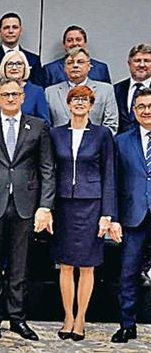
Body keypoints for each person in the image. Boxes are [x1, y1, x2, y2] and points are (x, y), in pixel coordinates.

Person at [0, 78, 55, 341]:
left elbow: (47, 169)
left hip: (25, 206)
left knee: (20, 267)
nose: (10, 98)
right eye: (5, 94)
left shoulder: (38, 127)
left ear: (22, 97)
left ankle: (18, 319)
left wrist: (45, 206)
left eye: (15, 94)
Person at [49, 86, 115, 341]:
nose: (79, 103)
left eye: (84, 100)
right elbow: (49, 171)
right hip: (64, 205)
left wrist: (107, 213)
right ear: (68, 104)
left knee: (87, 266)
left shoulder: (102, 134)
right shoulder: (56, 134)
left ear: (91, 105)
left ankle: (81, 318)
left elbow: (109, 174)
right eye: (74, 99)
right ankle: (67, 316)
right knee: (65, 264)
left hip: (92, 205)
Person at [110, 87, 151, 343]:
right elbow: (112, 183)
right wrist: (114, 218)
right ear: (134, 111)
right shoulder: (121, 141)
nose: (147, 111)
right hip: (133, 216)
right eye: (142, 107)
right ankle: (127, 324)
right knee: (128, 273)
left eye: (150, 106)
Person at [45, 47, 118, 135]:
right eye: (70, 62)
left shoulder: (106, 90)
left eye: (80, 62)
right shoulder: (50, 92)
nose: (75, 65)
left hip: (95, 146)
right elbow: (46, 126)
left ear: (89, 66)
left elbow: (111, 125)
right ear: (65, 68)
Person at [0, 12, 43, 96]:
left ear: (20, 31)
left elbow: (38, 89)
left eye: (15, 27)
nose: (11, 31)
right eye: (6, 28)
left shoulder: (33, 59)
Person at [0, 51, 50, 124]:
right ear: (3, 68)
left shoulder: (36, 91)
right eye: (10, 64)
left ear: (25, 67)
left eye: (19, 64)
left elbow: (45, 123)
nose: (14, 68)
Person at [43, 25, 111, 87]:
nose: (74, 43)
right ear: (64, 44)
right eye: (70, 40)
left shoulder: (101, 69)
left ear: (85, 43)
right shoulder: (50, 70)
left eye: (78, 40)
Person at [114, 44, 151, 134]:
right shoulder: (116, 89)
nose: (142, 65)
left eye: (147, 61)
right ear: (129, 64)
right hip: (120, 144)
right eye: (137, 61)